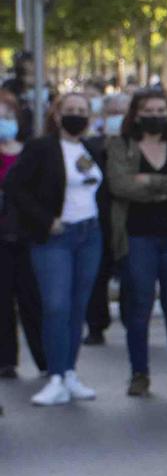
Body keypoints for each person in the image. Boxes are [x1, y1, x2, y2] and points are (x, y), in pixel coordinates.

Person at [3, 92, 106, 404]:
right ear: (57, 115)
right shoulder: (41, 148)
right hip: (56, 238)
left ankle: (70, 373)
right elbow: (15, 186)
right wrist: (46, 220)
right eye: (70, 109)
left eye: (82, 109)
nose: (76, 114)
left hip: (89, 235)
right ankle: (55, 375)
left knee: (77, 307)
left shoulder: (91, 148)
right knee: (56, 306)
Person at [104, 86, 167, 395]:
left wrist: (149, 182)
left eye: (162, 111)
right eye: (149, 111)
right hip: (137, 237)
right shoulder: (120, 145)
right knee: (139, 308)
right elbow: (120, 186)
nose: (156, 116)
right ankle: (139, 374)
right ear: (136, 114)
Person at [0, 86, 47, 381]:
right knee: (3, 300)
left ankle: (45, 359)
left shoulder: (33, 150)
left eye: (7, 115)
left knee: (34, 299)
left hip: (30, 234)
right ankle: (6, 360)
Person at [81, 88, 126, 345]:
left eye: (122, 113)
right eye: (113, 113)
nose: (117, 118)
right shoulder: (91, 145)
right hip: (98, 219)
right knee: (96, 277)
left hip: (128, 221)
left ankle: (133, 321)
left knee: (131, 276)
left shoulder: (138, 145)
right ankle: (96, 326)